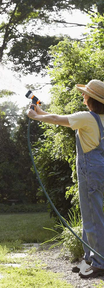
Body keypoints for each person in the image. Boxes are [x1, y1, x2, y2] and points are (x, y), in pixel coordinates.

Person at [27, 79, 104, 279]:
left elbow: (57, 119)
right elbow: (55, 116)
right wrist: (40, 113)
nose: (83, 96)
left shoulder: (87, 117)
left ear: (92, 100)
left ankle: (100, 263)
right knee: (90, 213)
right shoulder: (100, 118)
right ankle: (90, 258)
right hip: (100, 167)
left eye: (85, 94)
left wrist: (35, 117)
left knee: (93, 217)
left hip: (90, 170)